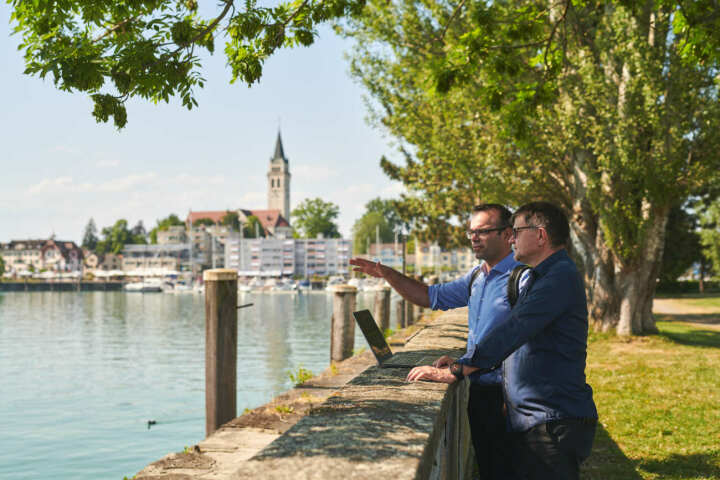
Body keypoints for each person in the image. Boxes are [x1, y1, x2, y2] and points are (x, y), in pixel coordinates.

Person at [408, 201, 598, 480]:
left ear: (541, 236)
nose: (512, 238)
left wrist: (456, 371)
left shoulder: (557, 278)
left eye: (517, 232)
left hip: (552, 419)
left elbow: (513, 331)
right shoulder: (542, 276)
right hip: (536, 417)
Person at [350, 204, 521, 480]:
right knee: (491, 469)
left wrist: (454, 370)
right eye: (471, 232)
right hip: (480, 392)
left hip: (512, 397)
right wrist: (388, 274)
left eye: (484, 231)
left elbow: (514, 339)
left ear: (508, 234)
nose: (475, 237)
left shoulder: (523, 278)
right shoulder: (477, 276)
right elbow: (430, 296)